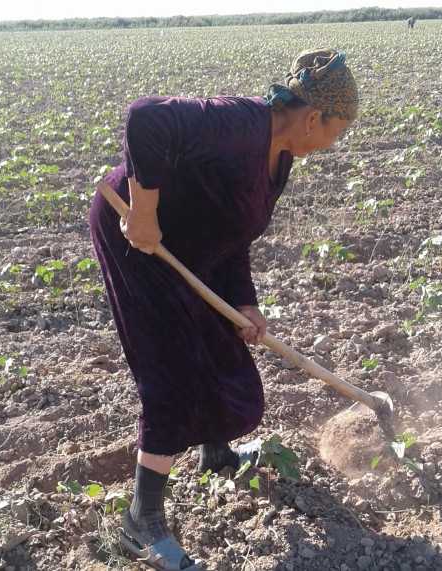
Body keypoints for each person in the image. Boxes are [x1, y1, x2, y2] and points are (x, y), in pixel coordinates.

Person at [89, 48, 358, 571]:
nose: (332, 144)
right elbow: (147, 117)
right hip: (137, 239)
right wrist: (143, 211)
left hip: (191, 246)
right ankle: (140, 523)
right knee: (176, 371)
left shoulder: (279, 162)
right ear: (311, 119)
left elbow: (235, 233)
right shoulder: (239, 125)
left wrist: (243, 302)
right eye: (336, 132)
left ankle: (216, 455)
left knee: (220, 344)